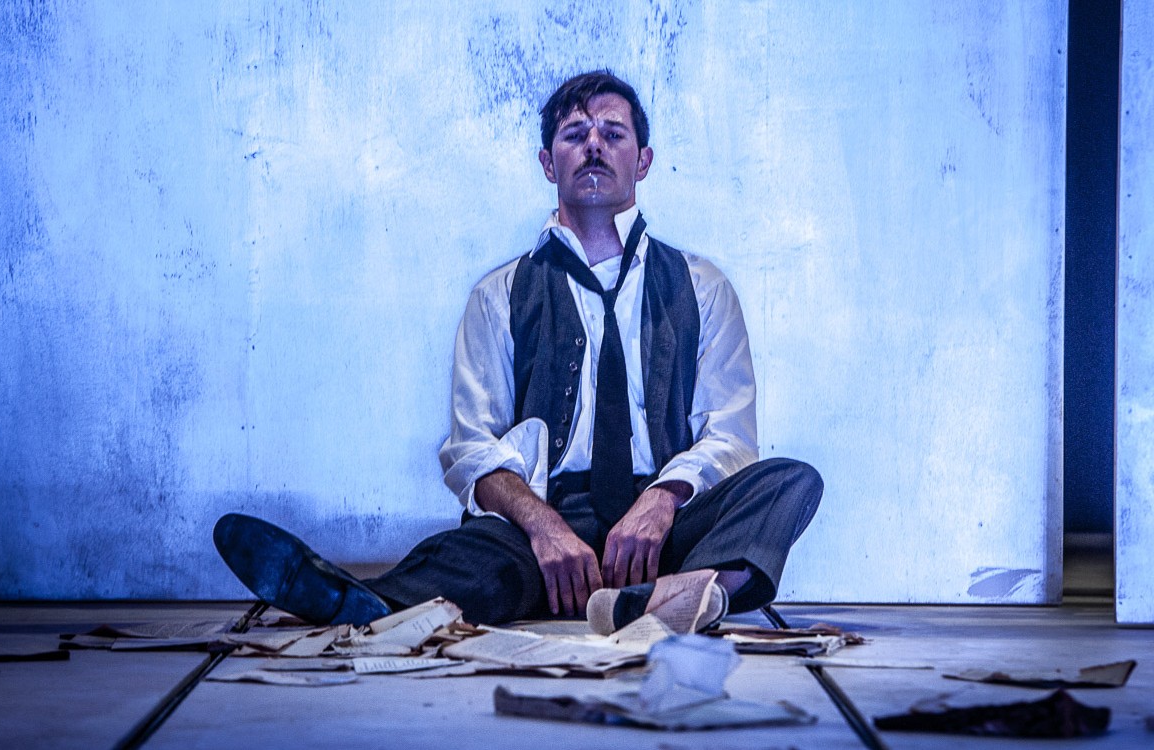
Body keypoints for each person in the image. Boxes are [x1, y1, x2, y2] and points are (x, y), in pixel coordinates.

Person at [214, 70, 822, 634]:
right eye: (574, 135)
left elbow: (730, 437)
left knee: (789, 482)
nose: (594, 146)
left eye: (613, 134)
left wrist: (661, 502)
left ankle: (684, 591)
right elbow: (471, 448)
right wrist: (543, 527)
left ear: (643, 160)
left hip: (668, 528)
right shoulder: (499, 294)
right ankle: (362, 601)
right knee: (471, 558)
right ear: (547, 162)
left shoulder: (702, 287)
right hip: (547, 529)